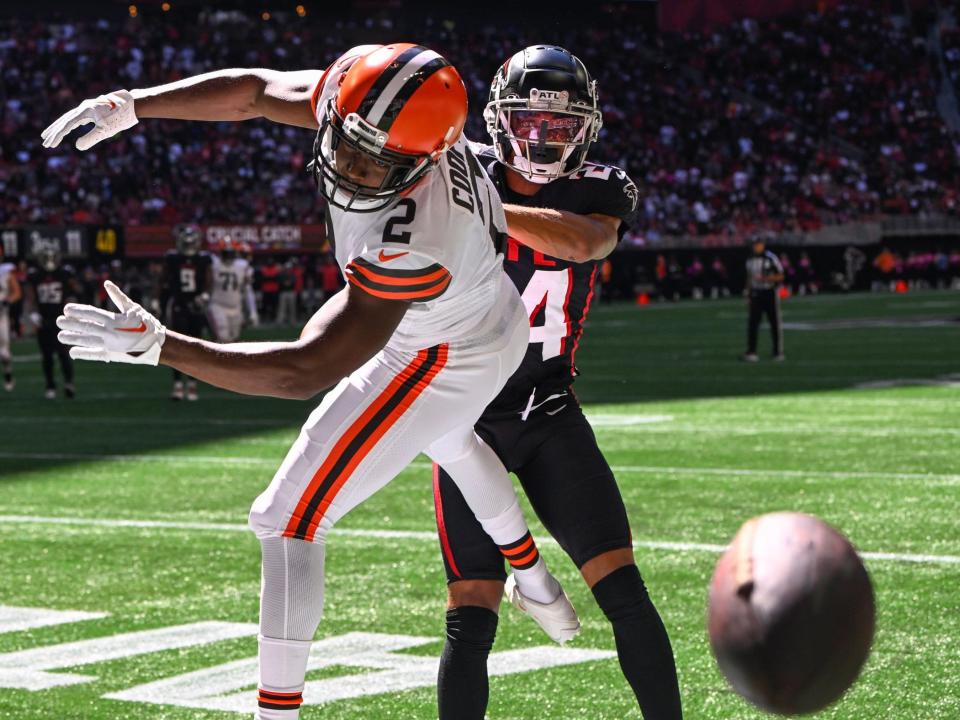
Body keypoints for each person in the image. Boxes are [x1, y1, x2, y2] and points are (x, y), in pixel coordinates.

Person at [44, 42, 576, 720]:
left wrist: (162, 348)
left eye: (375, 163)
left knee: (288, 517)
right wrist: (136, 105)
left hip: (443, 348)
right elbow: (253, 88)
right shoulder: (370, 113)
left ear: (428, 156)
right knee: (449, 440)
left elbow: (305, 371)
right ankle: (534, 582)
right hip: (483, 309)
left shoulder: (414, 238)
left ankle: (276, 715)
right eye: (348, 145)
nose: (350, 168)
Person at [432, 45, 682, 720]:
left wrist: (480, 208)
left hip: (548, 413)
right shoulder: (456, 169)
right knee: (471, 613)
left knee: (624, 590)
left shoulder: (601, 187)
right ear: (498, 121)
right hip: (464, 424)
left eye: (560, 126)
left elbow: (583, 243)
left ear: (587, 129)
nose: (542, 139)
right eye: (530, 123)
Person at [159, 224, 213, 401]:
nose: (189, 246)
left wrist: (205, 295)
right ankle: (177, 385)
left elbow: (208, 280)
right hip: (178, 304)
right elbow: (163, 279)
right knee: (176, 347)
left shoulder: (203, 259)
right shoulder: (173, 258)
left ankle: (191, 384)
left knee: (194, 346)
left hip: (195, 305)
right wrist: (156, 299)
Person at [24, 246, 80, 398]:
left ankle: (68, 383)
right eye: (46, 258)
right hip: (44, 319)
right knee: (47, 356)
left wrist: (71, 312)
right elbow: (30, 295)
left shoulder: (64, 274)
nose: (49, 261)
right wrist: (33, 313)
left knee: (63, 354)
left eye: (51, 258)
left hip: (61, 319)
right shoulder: (36, 275)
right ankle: (50, 385)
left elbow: (74, 292)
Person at [743, 234, 785, 362]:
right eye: (754, 245)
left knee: (774, 322)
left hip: (769, 292)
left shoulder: (770, 258)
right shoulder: (750, 259)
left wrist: (766, 279)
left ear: (763, 245)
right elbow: (749, 278)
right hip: (756, 293)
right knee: (753, 323)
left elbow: (781, 276)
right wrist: (748, 294)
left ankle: (777, 351)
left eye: (758, 244)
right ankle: (752, 351)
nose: (756, 247)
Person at [209, 236, 258, 343]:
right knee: (223, 338)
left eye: (230, 252)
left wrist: (252, 311)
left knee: (235, 340)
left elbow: (247, 291)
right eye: (226, 252)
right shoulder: (214, 263)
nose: (228, 256)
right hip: (218, 305)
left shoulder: (242, 266)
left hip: (236, 307)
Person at [0, 250, 22, 391]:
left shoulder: (5, 272)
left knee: (4, 352)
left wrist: (7, 302)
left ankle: (7, 371)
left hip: (1, 315)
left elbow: (17, 292)